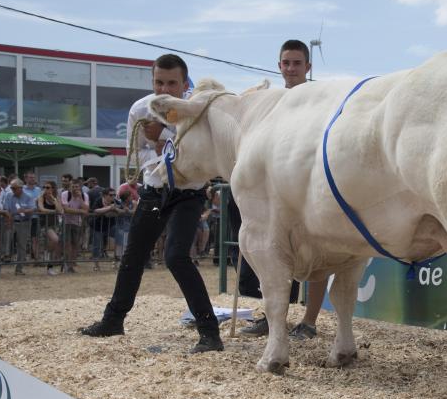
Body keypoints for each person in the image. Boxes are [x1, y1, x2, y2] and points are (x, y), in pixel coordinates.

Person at [79, 54, 223, 354]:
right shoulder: (140, 109)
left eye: (172, 83)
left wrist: (165, 137)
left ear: (185, 84)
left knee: (176, 256)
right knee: (133, 257)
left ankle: (210, 332)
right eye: (159, 82)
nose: (165, 89)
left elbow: (202, 155)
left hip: (188, 192)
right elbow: (137, 153)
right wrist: (157, 149)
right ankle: (113, 320)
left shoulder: (197, 112)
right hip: (154, 190)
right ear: (152, 80)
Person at [240, 40, 320, 340]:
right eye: (286, 63)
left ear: (307, 67)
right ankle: (274, 319)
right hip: (273, 190)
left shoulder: (316, 98)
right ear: (279, 66)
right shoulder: (271, 101)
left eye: (297, 63)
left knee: (319, 255)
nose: (291, 69)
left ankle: (309, 321)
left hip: (308, 186)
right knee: (272, 254)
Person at [2, 179, 36, 275]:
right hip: (11, 220)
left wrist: (25, 211)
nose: (12, 190)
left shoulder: (28, 196)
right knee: (7, 237)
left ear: (21, 188)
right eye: (12, 188)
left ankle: (19, 268)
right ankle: (6, 255)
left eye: (14, 188)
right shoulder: (8, 195)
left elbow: (33, 208)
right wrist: (8, 219)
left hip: (24, 222)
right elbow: (6, 209)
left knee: (22, 245)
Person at [61, 181, 89, 272]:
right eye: (73, 187)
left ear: (80, 187)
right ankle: (67, 264)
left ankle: (71, 263)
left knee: (75, 244)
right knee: (67, 244)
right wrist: (80, 211)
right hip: (66, 222)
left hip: (78, 222)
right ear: (69, 187)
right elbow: (66, 209)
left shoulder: (84, 196)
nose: (75, 189)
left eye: (77, 187)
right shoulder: (65, 194)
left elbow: (86, 209)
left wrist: (80, 198)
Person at [36, 181, 63, 275]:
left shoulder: (56, 198)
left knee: (54, 244)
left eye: (48, 187)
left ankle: (50, 266)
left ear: (53, 189)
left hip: (55, 224)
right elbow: (42, 209)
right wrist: (53, 211)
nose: (45, 189)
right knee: (55, 240)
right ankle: (47, 253)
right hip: (44, 225)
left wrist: (53, 199)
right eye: (44, 187)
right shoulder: (41, 198)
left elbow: (60, 210)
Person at [90, 187, 119, 271]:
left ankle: (115, 261)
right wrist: (109, 209)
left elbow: (122, 209)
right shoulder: (99, 200)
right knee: (97, 245)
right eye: (111, 195)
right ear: (104, 196)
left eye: (114, 195)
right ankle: (96, 264)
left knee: (120, 238)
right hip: (97, 226)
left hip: (110, 225)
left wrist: (116, 209)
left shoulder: (115, 201)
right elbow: (95, 210)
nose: (113, 197)